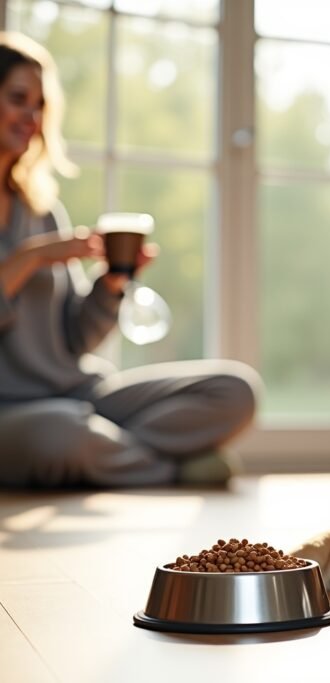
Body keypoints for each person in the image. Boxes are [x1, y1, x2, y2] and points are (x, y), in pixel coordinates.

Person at [0, 32, 259, 488]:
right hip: (16, 412)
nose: (33, 117)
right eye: (19, 99)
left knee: (235, 389)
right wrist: (29, 259)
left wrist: (111, 286)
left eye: (40, 105)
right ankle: (172, 467)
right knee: (65, 435)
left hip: (79, 391)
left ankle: (112, 452)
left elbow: (75, 338)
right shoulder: (39, 239)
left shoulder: (40, 209)